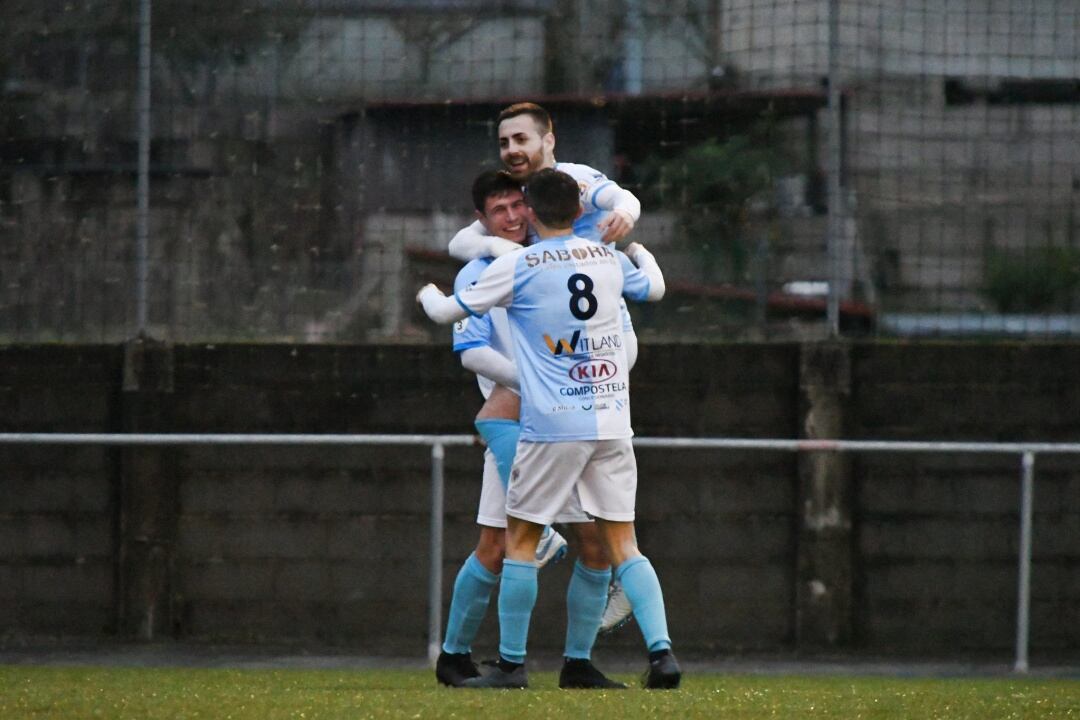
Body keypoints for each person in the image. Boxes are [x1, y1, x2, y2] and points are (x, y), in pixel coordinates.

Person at [418, 169, 682, 690]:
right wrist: (640, 253)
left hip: (550, 425)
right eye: (500, 210)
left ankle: (524, 665)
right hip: (605, 420)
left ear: (533, 210)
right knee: (600, 544)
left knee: (527, 543)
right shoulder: (601, 259)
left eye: (519, 206)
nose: (514, 216)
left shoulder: (520, 266)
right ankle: (662, 656)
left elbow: (446, 311)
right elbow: (651, 288)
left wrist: (426, 292)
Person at [448, 101, 639, 635]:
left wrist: (631, 219)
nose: (511, 150)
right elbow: (461, 252)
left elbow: (621, 202)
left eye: (520, 140)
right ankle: (459, 656)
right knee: (499, 543)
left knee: (596, 544)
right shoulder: (488, 262)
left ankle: (579, 659)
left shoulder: (577, 205)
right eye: (503, 142)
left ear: (548, 140)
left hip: (578, 403)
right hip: (527, 420)